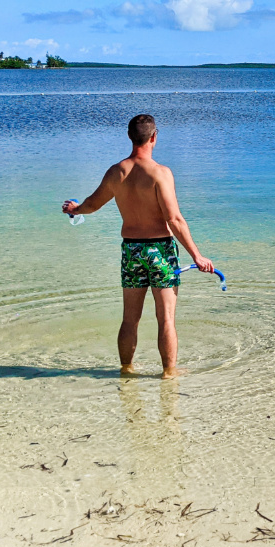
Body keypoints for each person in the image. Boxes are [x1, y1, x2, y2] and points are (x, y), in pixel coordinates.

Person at [62, 114, 214, 378]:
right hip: (160, 250)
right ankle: (168, 373)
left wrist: (74, 210)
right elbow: (174, 219)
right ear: (154, 137)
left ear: (130, 136)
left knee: (129, 318)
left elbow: (92, 205)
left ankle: (126, 369)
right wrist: (197, 255)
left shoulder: (116, 172)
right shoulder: (160, 173)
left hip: (131, 250)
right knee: (165, 318)